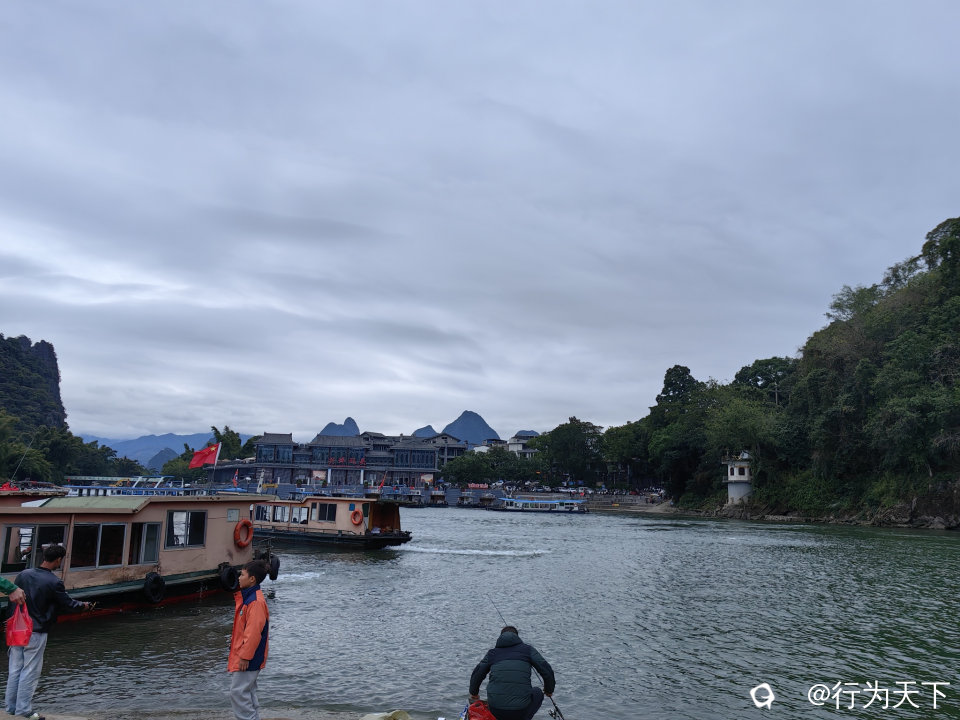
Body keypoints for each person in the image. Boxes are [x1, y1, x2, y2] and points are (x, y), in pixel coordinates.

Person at [6, 544, 93, 720]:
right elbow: (68, 604)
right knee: (30, 671)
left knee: (15, 669)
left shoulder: (23, 574)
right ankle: (23, 711)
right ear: (59, 560)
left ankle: (10, 709)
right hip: (36, 631)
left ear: (44, 556)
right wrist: (84, 606)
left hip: (17, 629)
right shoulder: (54, 582)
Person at [469, 626, 556, 720]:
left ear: (500, 637)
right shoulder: (528, 650)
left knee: (496, 698)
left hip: (495, 710)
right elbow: (547, 670)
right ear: (517, 637)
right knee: (538, 692)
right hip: (521, 711)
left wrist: (474, 693)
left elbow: (477, 674)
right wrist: (549, 690)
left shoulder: (492, 653)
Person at [228, 560, 270, 720]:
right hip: (249, 654)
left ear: (252, 579)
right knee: (248, 691)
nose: (239, 577)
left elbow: (253, 633)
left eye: (242, 574)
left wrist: (245, 656)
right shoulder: (250, 598)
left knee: (238, 692)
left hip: (249, 656)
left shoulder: (255, 602)